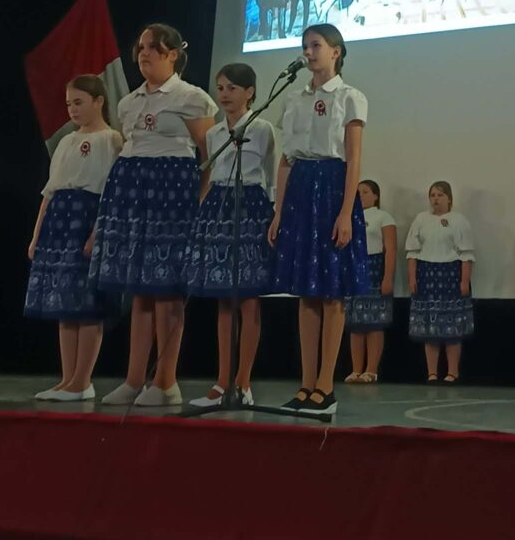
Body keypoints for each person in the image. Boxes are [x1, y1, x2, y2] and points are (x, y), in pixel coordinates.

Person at [89, 23, 216, 406]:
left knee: (166, 290)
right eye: (141, 47)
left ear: (172, 54)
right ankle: (133, 380)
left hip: (172, 195)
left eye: (153, 48)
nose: (144, 53)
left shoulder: (191, 97)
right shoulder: (129, 102)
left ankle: (165, 382)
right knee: (140, 288)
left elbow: (209, 155)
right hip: (133, 193)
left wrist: (199, 201)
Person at [269, 23, 368, 415]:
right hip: (300, 188)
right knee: (305, 292)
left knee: (331, 291)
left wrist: (345, 212)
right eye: (304, 46)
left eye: (315, 45)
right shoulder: (294, 99)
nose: (308, 52)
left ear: (336, 51)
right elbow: (286, 159)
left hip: (332, 187)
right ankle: (306, 384)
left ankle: (326, 387)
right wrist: (278, 211)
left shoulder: (350, 97)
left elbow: (353, 159)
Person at [26, 75, 122, 401]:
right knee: (64, 303)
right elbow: (49, 192)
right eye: (69, 103)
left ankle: (83, 381)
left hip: (87, 218)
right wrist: (37, 235)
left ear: (99, 101)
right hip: (59, 221)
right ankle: (67, 379)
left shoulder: (111, 140)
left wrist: (97, 232)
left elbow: (111, 193)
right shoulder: (66, 141)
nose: (72, 109)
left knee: (87, 304)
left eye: (79, 102)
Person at [187, 64, 275, 408]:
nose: (224, 94)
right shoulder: (213, 134)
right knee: (223, 298)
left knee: (248, 298)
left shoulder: (263, 128)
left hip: (251, 205)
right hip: (219, 206)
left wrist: (274, 215)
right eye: (220, 87)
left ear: (250, 92)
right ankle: (222, 381)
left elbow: (271, 175)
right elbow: (211, 174)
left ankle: (243, 383)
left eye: (232, 88)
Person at [406, 181, 474, 384]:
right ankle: (432, 373)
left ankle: (452, 372)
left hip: (451, 273)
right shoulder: (421, 219)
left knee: (452, 327)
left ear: (449, 198)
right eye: (433, 195)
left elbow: (466, 254)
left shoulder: (459, 220)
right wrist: (412, 278)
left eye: (440, 195)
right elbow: (412, 252)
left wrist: (464, 281)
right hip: (427, 274)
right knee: (430, 327)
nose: (435, 199)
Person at [344, 180, 397, 384]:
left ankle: (371, 370)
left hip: (374, 268)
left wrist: (387, 277)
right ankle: (356, 369)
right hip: (354, 269)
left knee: (374, 323)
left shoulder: (383, 217)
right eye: (357, 192)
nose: (360, 195)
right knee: (355, 323)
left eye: (365, 192)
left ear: (375, 196)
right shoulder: (349, 216)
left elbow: (390, 249)